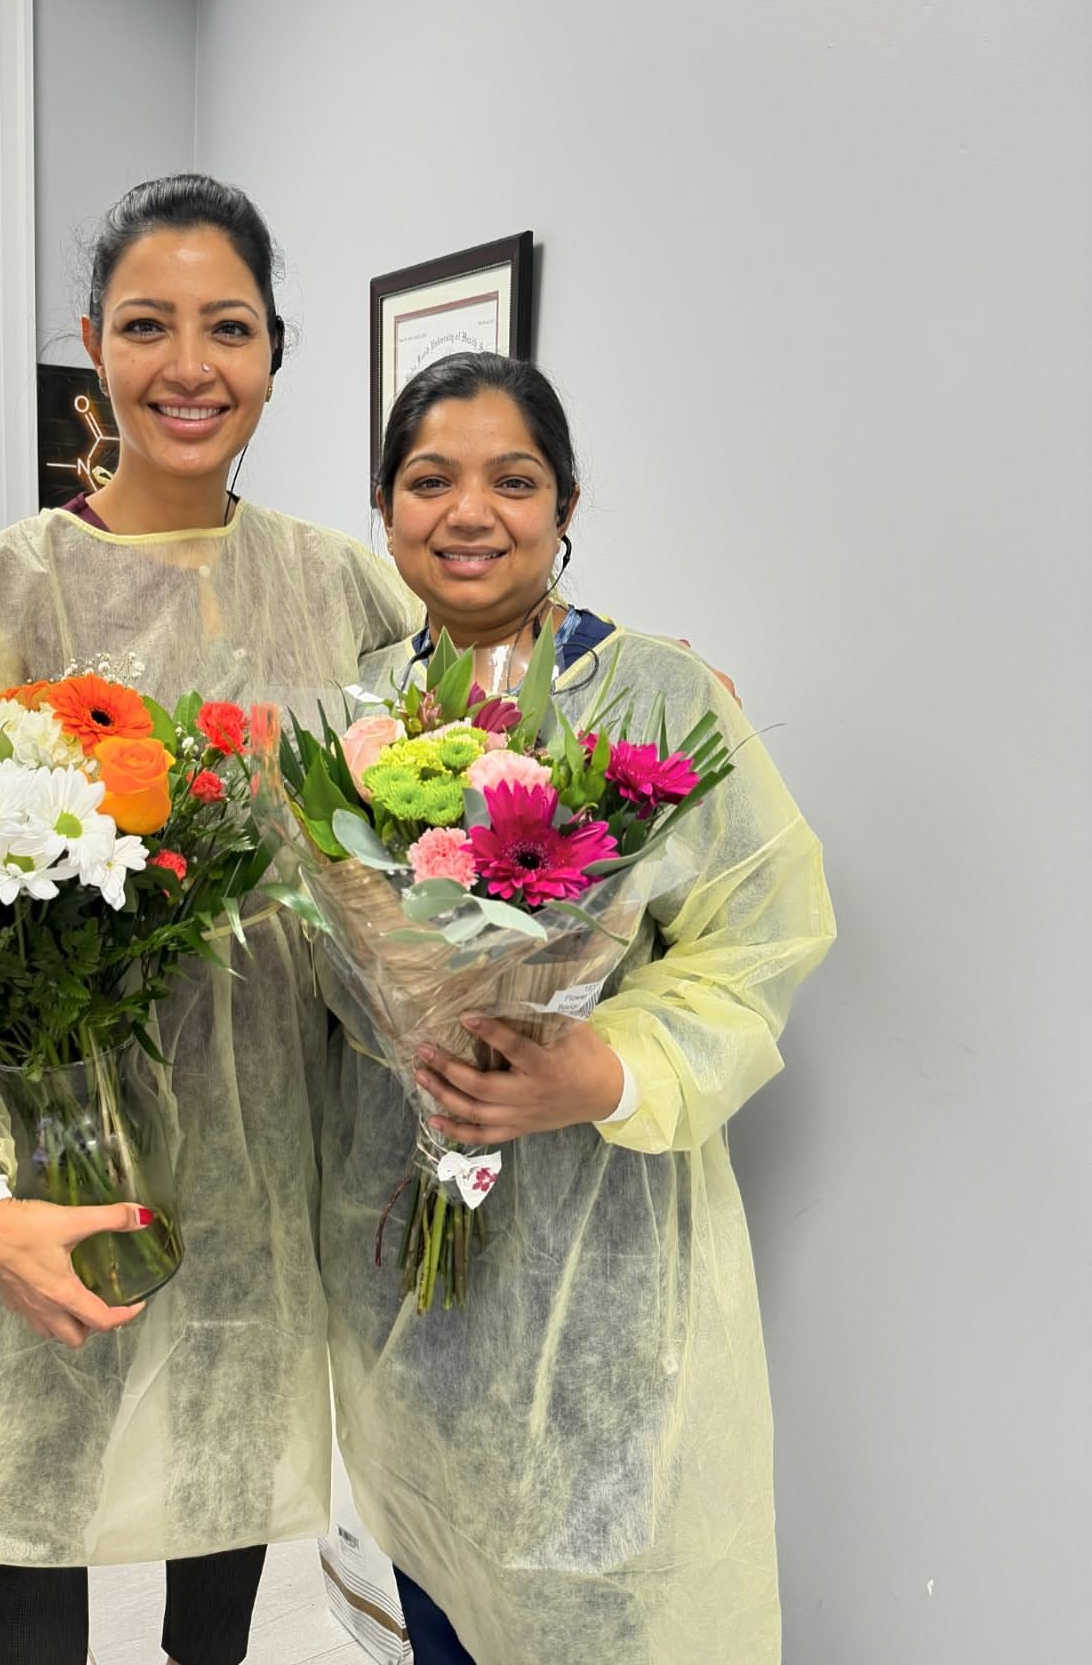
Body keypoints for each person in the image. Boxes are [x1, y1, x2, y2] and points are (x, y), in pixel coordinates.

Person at [0, 175, 417, 1665]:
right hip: (53, 1132)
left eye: (227, 328)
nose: (191, 366)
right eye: (149, 325)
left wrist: (634, 666)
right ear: (95, 344)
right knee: (33, 1481)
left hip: (266, 1131)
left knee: (224, 1457)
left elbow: (477, 699)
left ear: (276, 353)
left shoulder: (340, 586)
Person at [317, 351, 835, 1664]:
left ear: (566, 503)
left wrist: (597, 1067)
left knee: (605, 1603)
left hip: (604, 1262)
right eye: (430, 479)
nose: (470, 511)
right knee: (432, 1564)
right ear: (385, 511)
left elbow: (757, 942)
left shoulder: (660, 698)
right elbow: (309, 963)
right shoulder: (346, 721)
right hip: (403, 1254)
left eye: (514, 478)